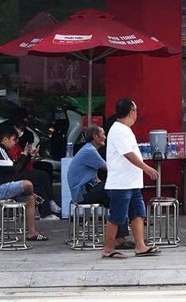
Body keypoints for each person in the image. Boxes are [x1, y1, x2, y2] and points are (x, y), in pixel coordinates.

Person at [100, 99, 161, 258]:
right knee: (116, 217)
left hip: (132, 182)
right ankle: (108, 249)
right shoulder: (118, 130)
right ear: (131, 112)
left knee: (138, 213)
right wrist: (146, 168)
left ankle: (140, 245)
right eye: (135, 110)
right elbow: (128, 154)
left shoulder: (125, 129)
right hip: (121, 183)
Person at [0, 124, 50, 240]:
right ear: (5, 139)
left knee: (30, 199)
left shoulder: (5, 152)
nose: (14, 143)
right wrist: (23, 157)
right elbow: (14, 169)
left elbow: (16, 169)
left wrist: (27, 156)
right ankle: (34, 195)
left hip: (4, 186)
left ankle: (32, 233)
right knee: (28, 184)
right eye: (13, 140)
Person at [65, 124, 107, 208]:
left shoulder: (88, 148)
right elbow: (108, 168)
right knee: (113, 187)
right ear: (95, 136)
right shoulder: (90, 151)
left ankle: (115, 214)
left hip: (84, 191)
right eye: (103, 134)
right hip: (82, 194)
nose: (105, 137)